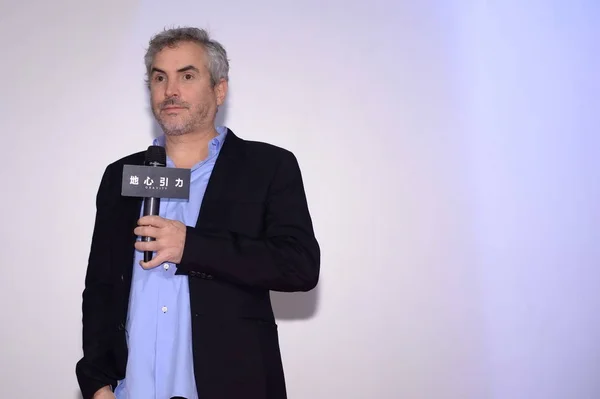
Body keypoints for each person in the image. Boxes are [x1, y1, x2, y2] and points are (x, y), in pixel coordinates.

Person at [75, 27, 320, 399]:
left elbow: (299, 265)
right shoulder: (121, 176)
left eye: (187, 76)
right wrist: (96, 383)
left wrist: (192, 245)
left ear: (219, 90)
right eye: (160, 78)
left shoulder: (267, 166)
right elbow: (100, 287)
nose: (170, 90)